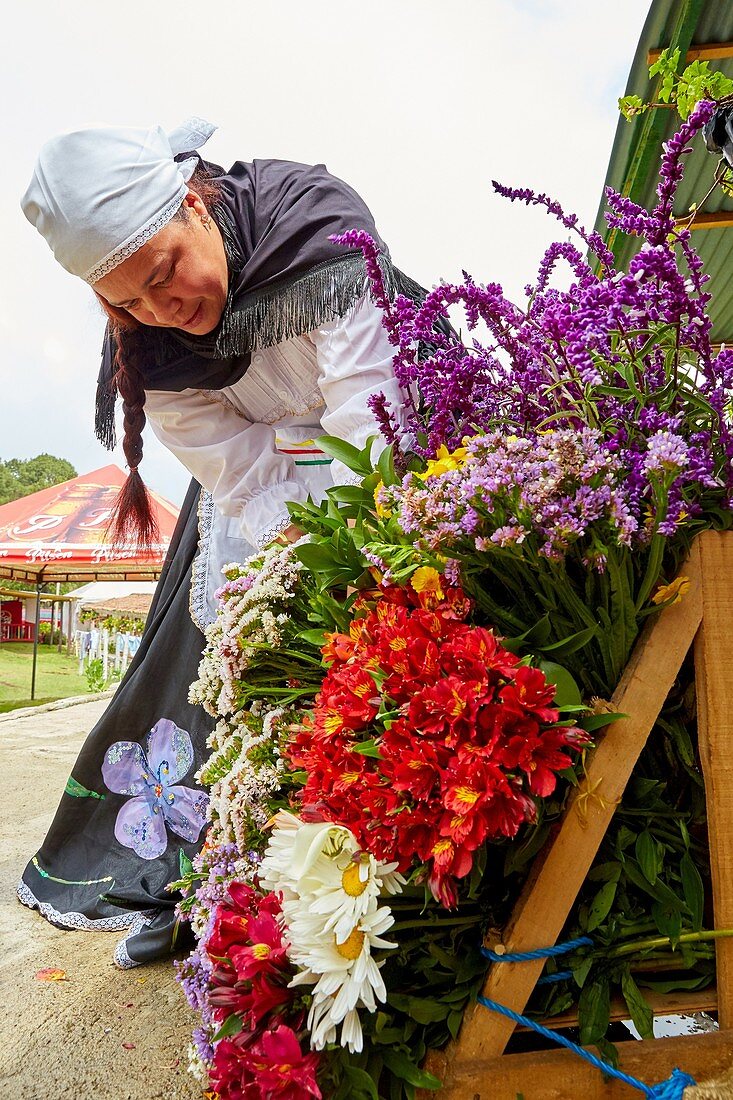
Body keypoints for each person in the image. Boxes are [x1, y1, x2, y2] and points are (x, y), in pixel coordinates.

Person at [18, 118, 427, 967]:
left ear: (196, 204)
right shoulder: (149, 345)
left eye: (166, 275)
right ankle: (210, 879)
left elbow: (368, 430)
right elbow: (236, 469)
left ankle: (385, 884)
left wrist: (335, 521)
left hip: (401, 456)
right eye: (129, 302)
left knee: (397, 661)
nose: (162, 310)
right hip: (260, 504)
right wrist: (285, 539)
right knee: (219, 671)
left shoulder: (316, 233)